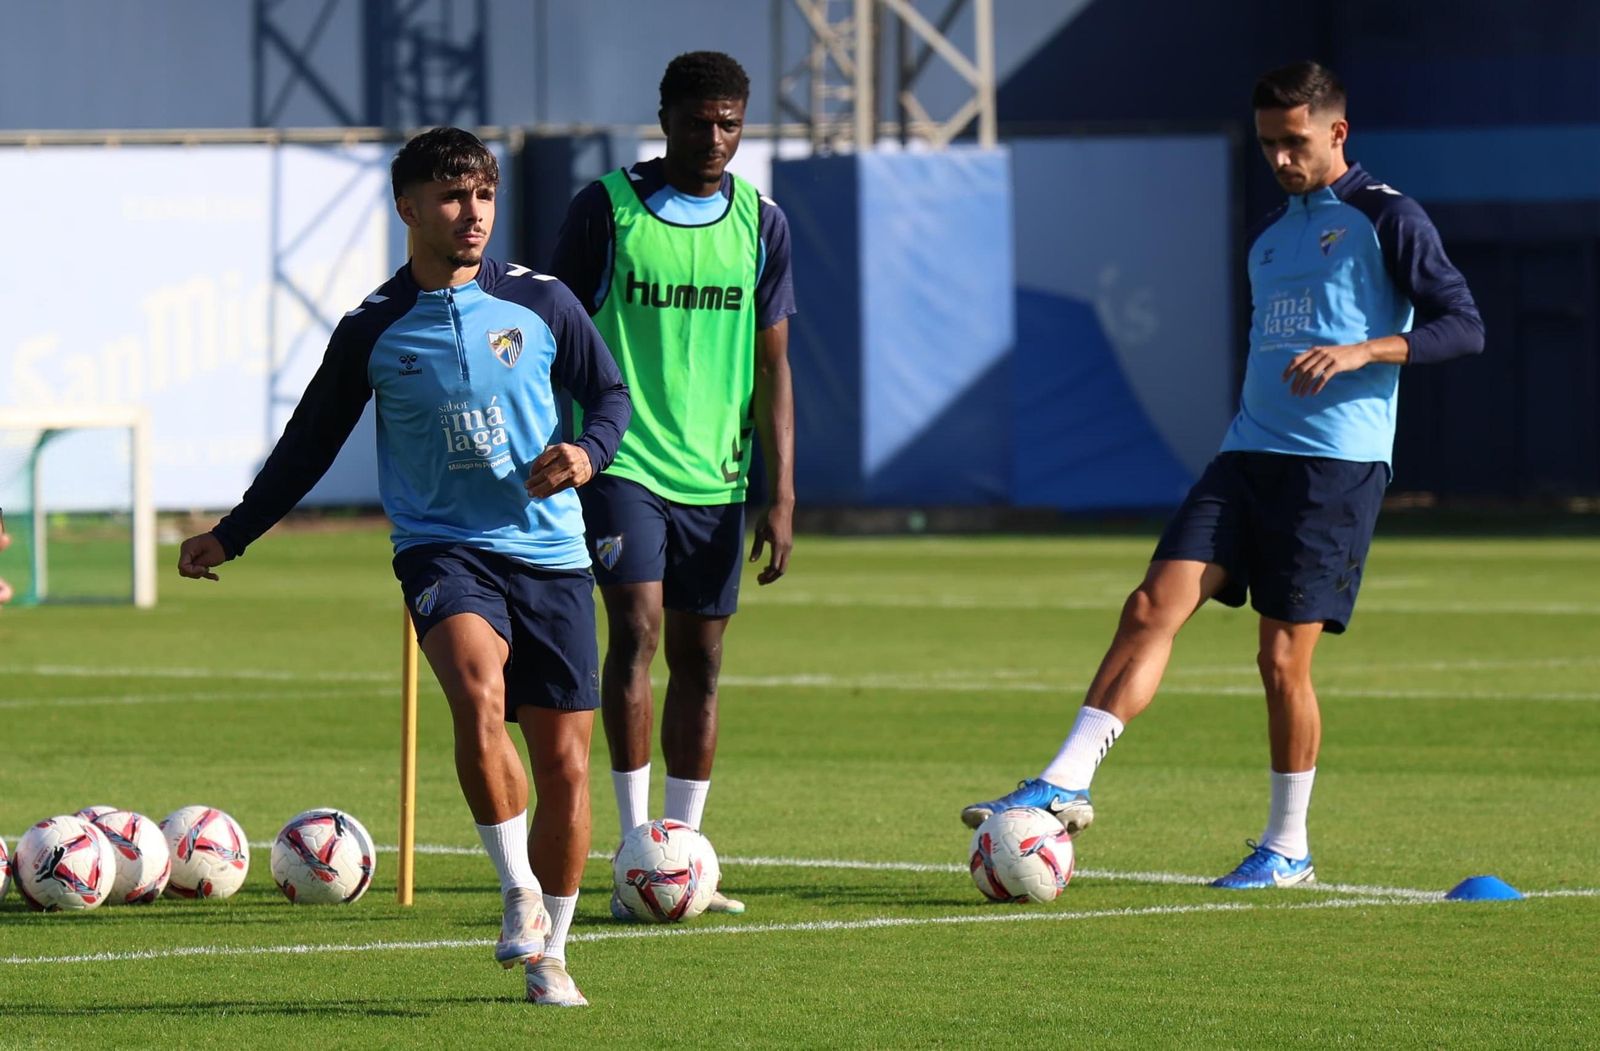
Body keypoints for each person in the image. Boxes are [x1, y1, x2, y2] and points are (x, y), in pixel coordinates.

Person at [962, 60, 1484, 888]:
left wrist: (1364, 351)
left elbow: (1464, 324)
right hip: (1246, 455)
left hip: (1335, 467)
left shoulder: (1387, 218)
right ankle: (1065, 777)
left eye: (1295, 142)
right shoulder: (1270, 235)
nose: (1280, 158)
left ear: (1338, 132)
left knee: (1281, 660)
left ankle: (1287, 846)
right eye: (1268, 143)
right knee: (1150, 605)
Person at [177, 127, 630, 1006]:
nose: (473, 213)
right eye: (453, 196)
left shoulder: (543, 302)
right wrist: (233, 533)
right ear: (409, 208)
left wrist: (588, 453)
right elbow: (308, 442)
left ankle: (552, 953)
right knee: (475, 691)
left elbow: (609, 395)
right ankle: (517, 889)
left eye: (484, 195)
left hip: (550, 552)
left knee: (567, 768)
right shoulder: (373, 327)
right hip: (441, 548)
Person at [549, 50, 796, 918]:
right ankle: (633, 851)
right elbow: (553, 330)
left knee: (703, 659)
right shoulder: (606, 208)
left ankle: (682, 855)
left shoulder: (762, 223)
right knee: (638, 631)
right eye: (699, 121)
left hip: (718, 478)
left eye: (730, 123)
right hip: (622, 463)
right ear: (665, 119)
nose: (715, 137)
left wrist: (781, 492)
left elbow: (774, 364)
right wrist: (563, 444)